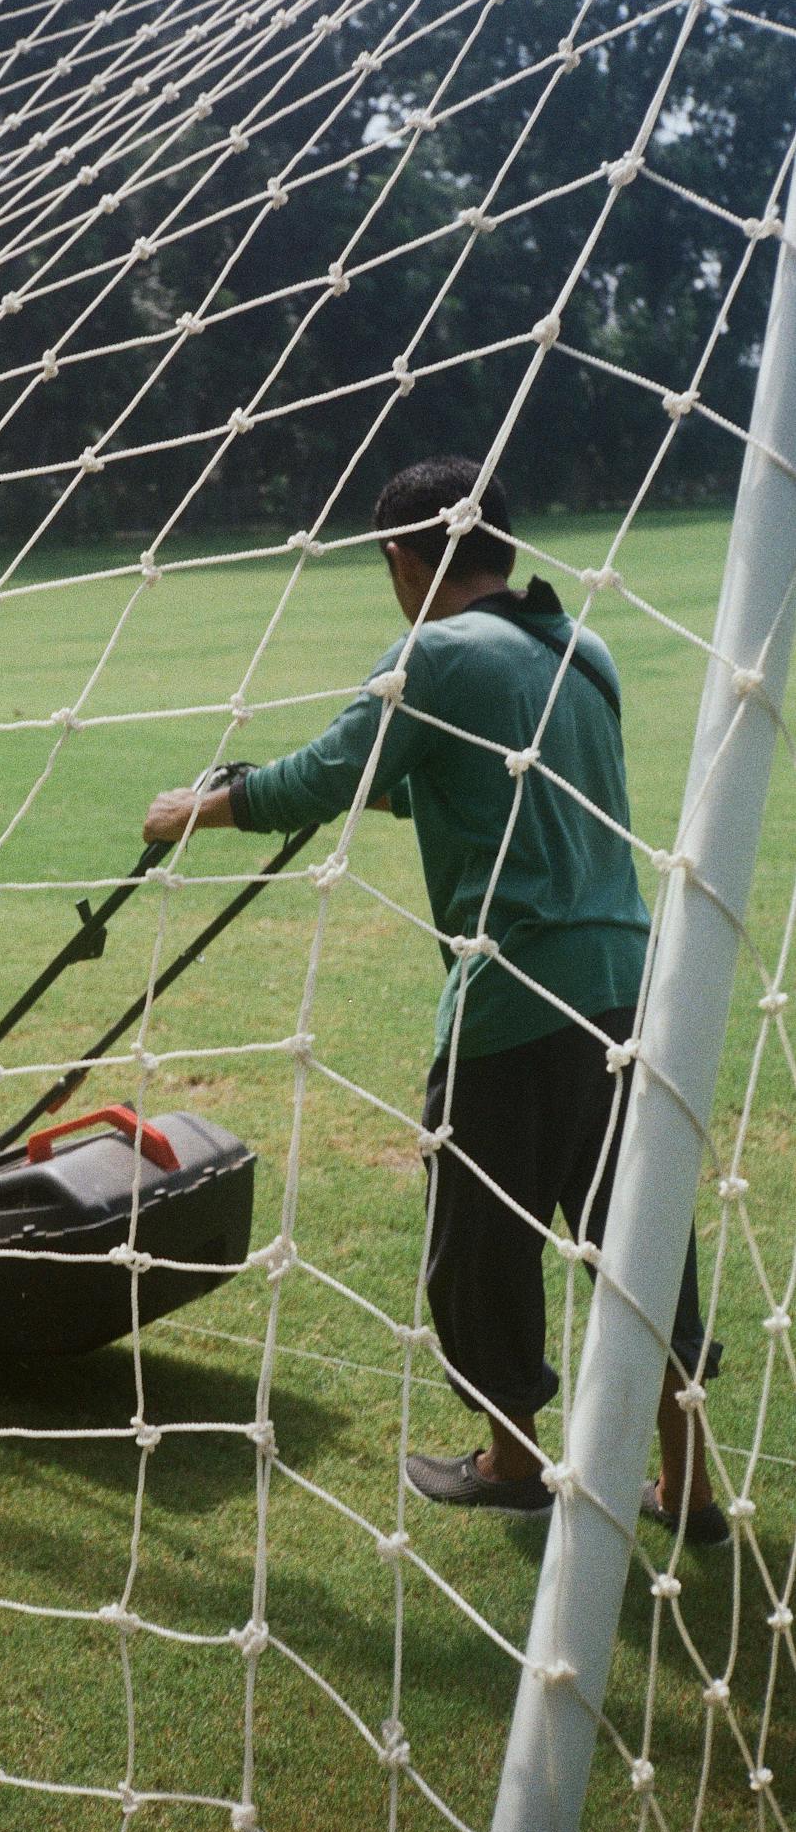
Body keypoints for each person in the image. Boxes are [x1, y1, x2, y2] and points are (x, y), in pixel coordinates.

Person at [143, 456, 724, 1542]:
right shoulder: (576, 648)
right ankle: (686, 1484)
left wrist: (199, 807)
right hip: (626, 993)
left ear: (403, 558)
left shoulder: (434, 654)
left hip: (514, 1001)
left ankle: (510, 1455)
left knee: (475, 1245)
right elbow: (465, 779)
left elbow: (324, 774)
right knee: (637, 1243)